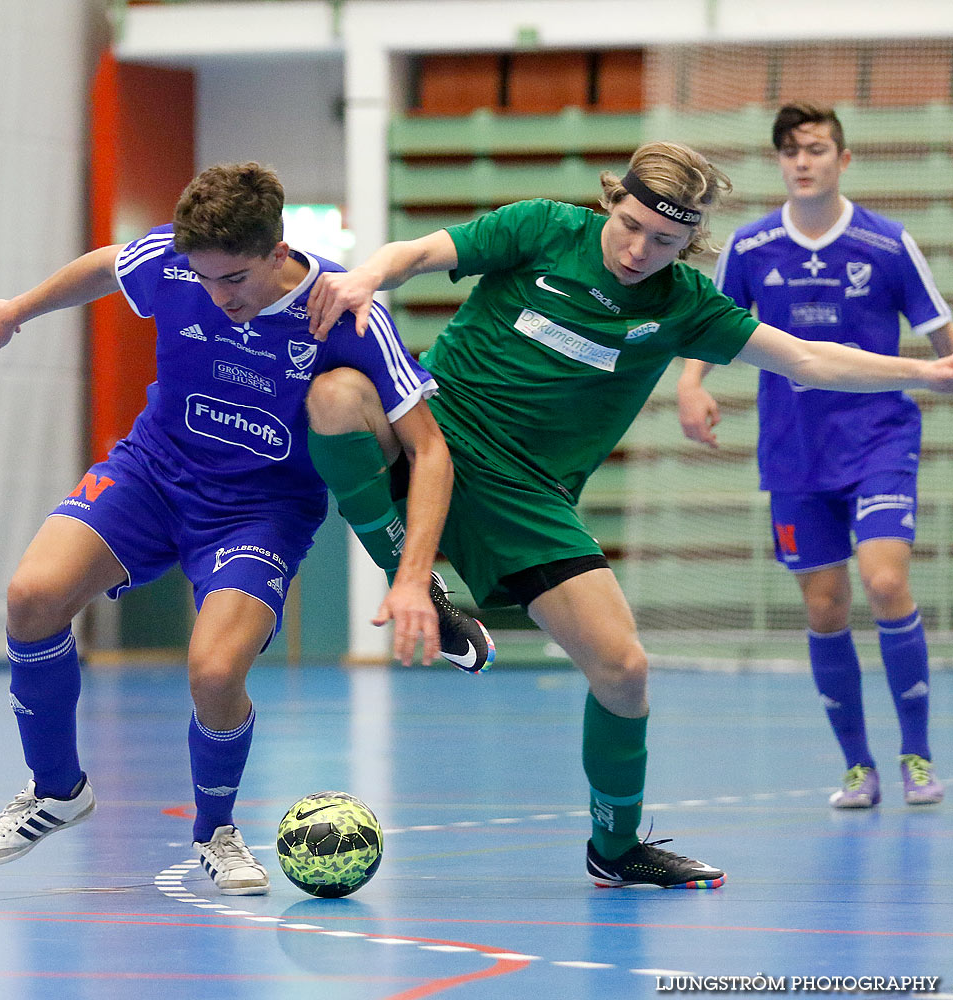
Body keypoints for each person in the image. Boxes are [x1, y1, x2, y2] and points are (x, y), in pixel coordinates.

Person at [306, 140, 953, 888]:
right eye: (632, 225)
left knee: (623, 671)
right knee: (335, 398)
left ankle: (615, 851)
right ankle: (418, 585)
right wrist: (364, 276)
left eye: (665, 240)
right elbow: (419, 250)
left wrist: (925, 374)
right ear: (612, 201)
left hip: (529, 497)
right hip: (437, 435)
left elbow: (807, 358)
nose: (639, 249)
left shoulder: (683, 305)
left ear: (690, 244)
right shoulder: (544, 229)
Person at [0, 162, 490, 894]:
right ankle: (56, 791)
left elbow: (431, 451)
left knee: (214, 673)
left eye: (234, 281)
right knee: (31, 596)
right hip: (153, 473)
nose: (218, 297)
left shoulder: (345, 311)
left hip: (261, 511)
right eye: (203, 279)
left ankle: (215, 831)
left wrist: (409, 580)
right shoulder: (178, 263)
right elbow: (106, 267)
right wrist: (16, 310)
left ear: (278, 251)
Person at [677, 104, 950, 809]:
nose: (804, 161)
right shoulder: (751, 246)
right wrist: (693, 386)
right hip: (794, 453)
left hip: (880, 438)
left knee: (885, 583)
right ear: (780, 162)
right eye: (791, 150)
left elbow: (941, 333)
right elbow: (706, 327)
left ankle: (918, 753)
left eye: (818, 149)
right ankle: (858, 766)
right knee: (826, 606)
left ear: (844, 159)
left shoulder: (887, 244)